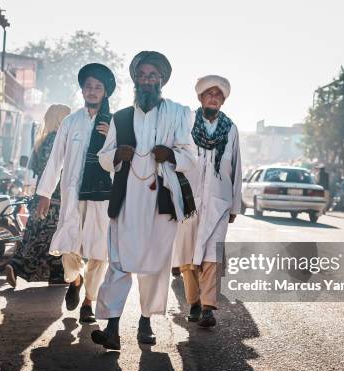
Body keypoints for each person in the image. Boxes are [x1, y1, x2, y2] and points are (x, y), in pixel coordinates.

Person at [91, 51, 196, 350]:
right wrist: (116, 156)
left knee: (153, 265)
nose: (147, 80)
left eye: (153, 75)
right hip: (126, 199)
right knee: (120, 262)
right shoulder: (121, 117)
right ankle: (111, 328)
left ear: (161, 80)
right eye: (142, 75)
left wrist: (172, 155)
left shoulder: (178, 113)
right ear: (135, 79)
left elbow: (191, 155)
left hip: (161, 201)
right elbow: (103, 158)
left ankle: (145, 322)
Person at [34, 63, 117, 323]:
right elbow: (56, 158)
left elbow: (121, 162)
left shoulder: (113, 123)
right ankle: (76, 279)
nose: (92, 91)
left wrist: (108, 140)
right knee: (70, 244)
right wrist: (45, 193)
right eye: (89, 86)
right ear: (82, 90)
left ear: (105, 93)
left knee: (99, 251)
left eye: (98, 87)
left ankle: (89, 303)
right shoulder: (70, 122)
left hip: (103, 196)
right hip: (72, 194)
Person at [173, 75, 242, 328]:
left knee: (212, 254)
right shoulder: (186, 124)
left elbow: (236, 168)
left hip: (219, 203)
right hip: (187, 201)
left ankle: (208, 308)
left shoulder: (230, 129)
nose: (213, 98)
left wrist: (235, 205)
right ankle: (193, 302)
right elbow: (175, 158)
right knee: (187, 255)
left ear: (223, 101)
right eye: (209, 94)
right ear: (200, 98)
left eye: (218, 95)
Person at [5, 104, 72, 287]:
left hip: (41, 196)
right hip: (53, 199)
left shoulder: (42, 142)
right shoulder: (58, 141)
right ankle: (56, 275)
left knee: (34, 236)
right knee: (53, 238)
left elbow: (36, 170)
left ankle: (16, 265)